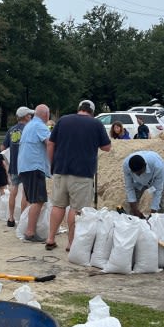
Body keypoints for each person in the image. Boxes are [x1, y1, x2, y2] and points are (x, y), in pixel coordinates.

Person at [45, 100, 111, 251]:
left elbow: (50, 143)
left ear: (79, 109)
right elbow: (107, 147)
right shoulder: (96, 124)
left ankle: (50, 239)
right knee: (76, 209)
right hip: (82, 173)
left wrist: (52, 164)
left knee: (58, 205)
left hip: (60, 170)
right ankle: (71, 244)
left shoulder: (63, 120)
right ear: (92, 111)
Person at [17, 104, 52, 243]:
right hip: (34, 166)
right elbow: (50, 143)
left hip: (25, 167)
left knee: (34, 199)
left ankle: (28, 228)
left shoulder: (29, 125)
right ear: (46, 115)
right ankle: (30, 232)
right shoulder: (40, 126)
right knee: (38, 200)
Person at [1, 107, 32, 227]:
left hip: (14, 165)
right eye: (29, 115)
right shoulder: (29, 129)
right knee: (25, 192)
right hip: (26, 165)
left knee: (13, 190)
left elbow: (3, 147)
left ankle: (11, 217)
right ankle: (23, 218)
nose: (30, 117)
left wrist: (7, 160)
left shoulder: (12, 130)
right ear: (26, 116)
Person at [123, 151, 164, 215]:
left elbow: (158, 191)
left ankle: (162, 219)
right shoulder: (126, 165)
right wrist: (134, 210)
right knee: (129, 205)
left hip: (155, 178)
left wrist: (152, 214)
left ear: (145, 166)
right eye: (135, 173)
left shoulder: (158, 166)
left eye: (140, 172)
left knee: (162, 205)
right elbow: (129, 187)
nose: (138, 175)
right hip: (137, 182)